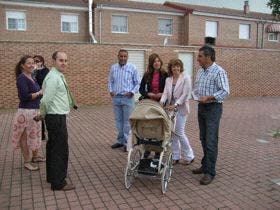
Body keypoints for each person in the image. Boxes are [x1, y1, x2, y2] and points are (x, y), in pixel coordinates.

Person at [35, 51, 77, 191]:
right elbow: (46, 99)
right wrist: (42, 113)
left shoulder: (57, 75)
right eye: (61, 60)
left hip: (57, 116)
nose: (64, 63)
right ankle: (58, 183)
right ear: (54, 61)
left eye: (66, 60)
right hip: (55, 117)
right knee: (60, 149)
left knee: (53, 147)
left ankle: (52, 176)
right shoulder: (53, 77)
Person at [192, 45, 230, 185]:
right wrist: (194, 95)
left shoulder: (219, 71)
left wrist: (209, 97)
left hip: (213, 108)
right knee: (203, 138)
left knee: (211, 141)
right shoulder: (200, 71)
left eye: (200, 56)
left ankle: (210, 172)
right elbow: (196, 88)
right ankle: (205, 165)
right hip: (201, 107)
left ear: (208, 57)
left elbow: (225, 91)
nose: (197, 59)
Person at [11, 55, 45, 171]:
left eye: (33, 63)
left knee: (35, 135)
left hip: (34, 111)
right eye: (29, 63)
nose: (32, 65)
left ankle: (35, 156)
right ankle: (27, 162)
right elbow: (24, 97)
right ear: (22, 65)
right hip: (26, 112)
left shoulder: (31, 77)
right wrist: (39, 93)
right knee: (24, 138)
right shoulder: (22, 78)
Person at [160, 59, 195, 165]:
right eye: (173, 66)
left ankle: (189, 156)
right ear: (171, 68)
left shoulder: (186, 78)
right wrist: (161, 102)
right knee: (172, 133)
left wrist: (175, 105)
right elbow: (166, 93)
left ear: (181, 67)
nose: (176, 68)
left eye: (178, 66)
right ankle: (175, 156)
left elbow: (185, 95)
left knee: (179, 133)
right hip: (169, 109)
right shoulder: (168, 79)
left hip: (181, 108)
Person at [108, 49, 140, 152]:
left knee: (127, 122)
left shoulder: (132, 68)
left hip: (128, 98)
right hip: (116, 98)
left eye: (124, 56)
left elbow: (137, 83)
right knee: (119, 121)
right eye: (121, 56)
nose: (122, 58)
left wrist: (132, 92)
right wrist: (111, 91)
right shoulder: (113, 68)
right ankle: (120, 141)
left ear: (127, 57)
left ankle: (128, 143)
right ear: (118, 56)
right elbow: (110, 81)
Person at [139, 53, 168, 158]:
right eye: (155, 61)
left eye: (158, 61)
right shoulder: (147, 75)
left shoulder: (165, 74)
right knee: (149, 126)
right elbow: (141, 89)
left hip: (161, 103)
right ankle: (147, 149)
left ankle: (157, 152)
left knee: (158, 127)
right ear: (151, 63)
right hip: (150, 103)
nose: (157, 63)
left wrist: (163, 94)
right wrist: (148, 94)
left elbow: (169, 89)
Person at [33, 55, 49, 141]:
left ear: (42, 62)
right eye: (34, 61)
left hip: (42, 95)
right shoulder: (32, 70)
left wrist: (36, 71)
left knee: (41, 113)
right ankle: (36, 133)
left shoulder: (45, 70)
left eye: (37, 61)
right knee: (35, 114)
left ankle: (42, 135)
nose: (35, 63)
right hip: (34, 95)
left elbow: (42, 81)